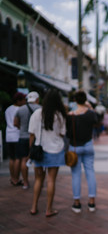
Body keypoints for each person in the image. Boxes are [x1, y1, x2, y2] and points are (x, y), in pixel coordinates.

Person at [28, 89, 67, 217]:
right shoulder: (59, 115)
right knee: (51, 180)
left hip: (39, 150)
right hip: (55, 150)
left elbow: (32, 134)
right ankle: (48, 209)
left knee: (38, 179)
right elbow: (62, 133)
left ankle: (33, 207)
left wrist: (30, 151)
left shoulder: (37, 113)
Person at [66, 91, 98, 213]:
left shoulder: (70, 115)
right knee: (90, 172)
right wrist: (89, 107)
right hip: (88, 145)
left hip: (75, 147)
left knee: (76, 174)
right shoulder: (90, 114)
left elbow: (68, 133)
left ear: (74, 100)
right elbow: (96, 120)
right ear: (85, 100)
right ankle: (91, 202)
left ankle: (77, 203)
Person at [14, 91, 41, 189]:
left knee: (24, 159)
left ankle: (25, 182)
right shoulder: (40, 109)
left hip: (23, 136)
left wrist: (22, 128)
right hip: (37, 137)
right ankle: (38, 181)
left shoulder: (20, 109)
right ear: (37, 99)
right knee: (38, 160)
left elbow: (15, 123)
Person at [5, 92, 26, 186]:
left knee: (12, 158)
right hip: (17, 135)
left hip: (9, 135)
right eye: (23, 100)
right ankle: (17, 179)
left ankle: (13, 178)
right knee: (18, 158)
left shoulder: (7, 109)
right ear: (18, 101)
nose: (25, 101)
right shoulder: (20, 110)